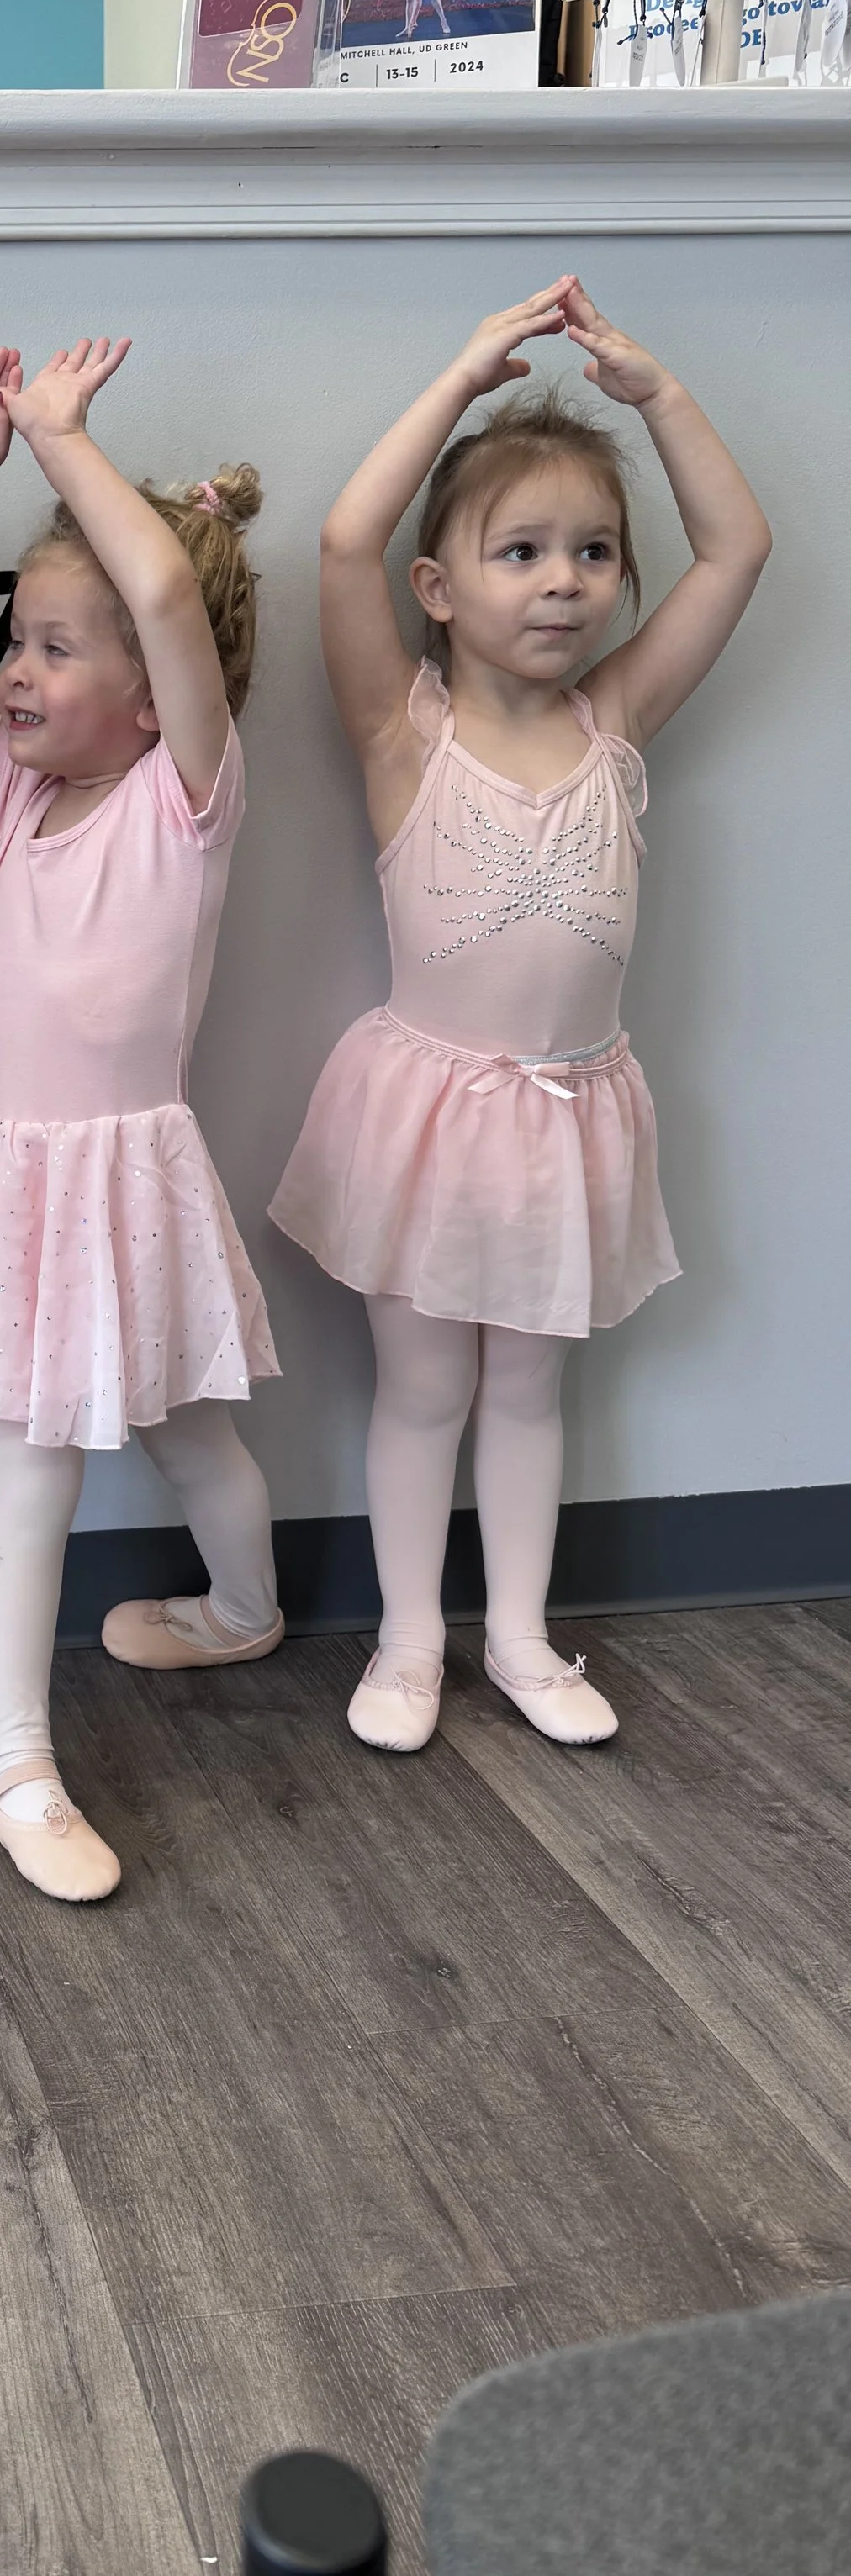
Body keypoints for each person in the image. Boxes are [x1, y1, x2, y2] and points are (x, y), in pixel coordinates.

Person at [272, 280, 770, 1753]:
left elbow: (739, 548)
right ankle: (411, 1639)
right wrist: (464, 373)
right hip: (427, 1114)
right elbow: (343, 538)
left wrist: (656, 396)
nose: (565, 583)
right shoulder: (398, 727)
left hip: (572, 1110)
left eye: (594, 554)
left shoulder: (616, 720)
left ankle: (524, 1637)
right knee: (424, 1388)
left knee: (534, 1392)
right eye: (522, 553)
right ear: (442, 589)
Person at [0, 341, 282, 1903]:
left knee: (197, 1430)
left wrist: (62, 444)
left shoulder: (188, 799)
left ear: (152, 698)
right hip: (7, 1173)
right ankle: (17, 1760)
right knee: (31, 1467)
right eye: (21, 639)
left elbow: (175, 604)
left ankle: (246, 1608)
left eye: (58, 647)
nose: (15, 669)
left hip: (127, 1172)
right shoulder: (14, 795)